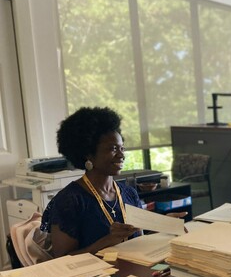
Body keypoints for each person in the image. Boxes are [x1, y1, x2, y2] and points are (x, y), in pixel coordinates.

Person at [41, 107, 185, 257]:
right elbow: (62, 260)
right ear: (88, 154)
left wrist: (163, 226)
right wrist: (108, 240)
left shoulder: (129, 193)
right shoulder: (69, 201)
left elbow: (139, 239)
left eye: (122, 148)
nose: (122, 155)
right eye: (113, 149)